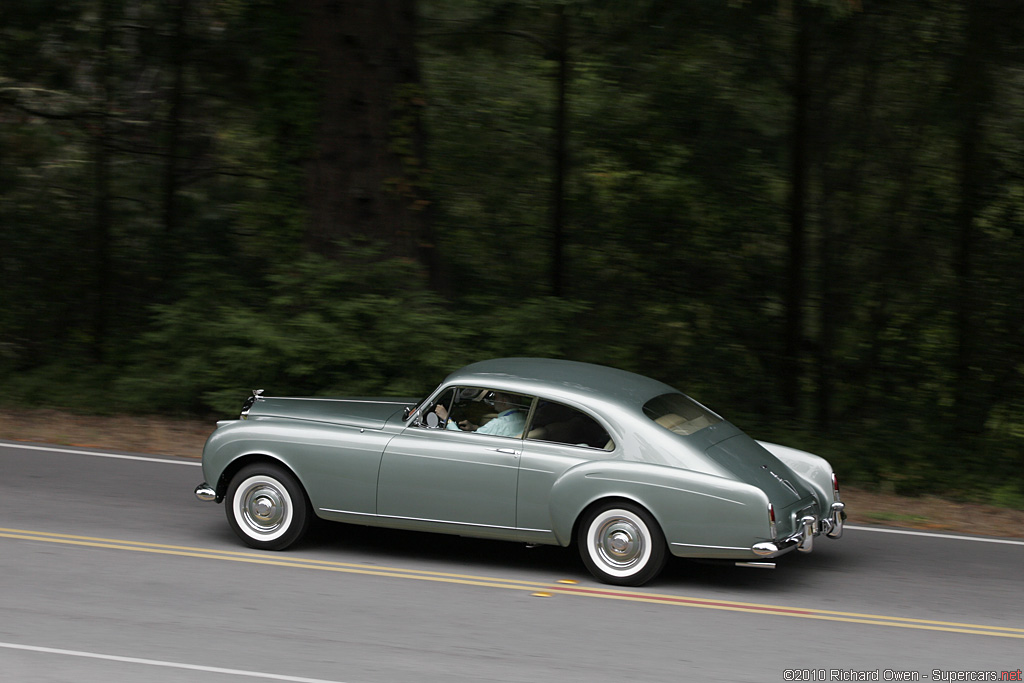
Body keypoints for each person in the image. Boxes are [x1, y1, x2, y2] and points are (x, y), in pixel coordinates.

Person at [435, 390, 526, 437]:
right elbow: (496, 432)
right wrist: (474, 427)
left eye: (495, 397)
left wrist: (446, 418)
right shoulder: (522, 417)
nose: (493, 400)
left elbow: (463, 439)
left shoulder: (498, 424)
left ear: (503, 401)